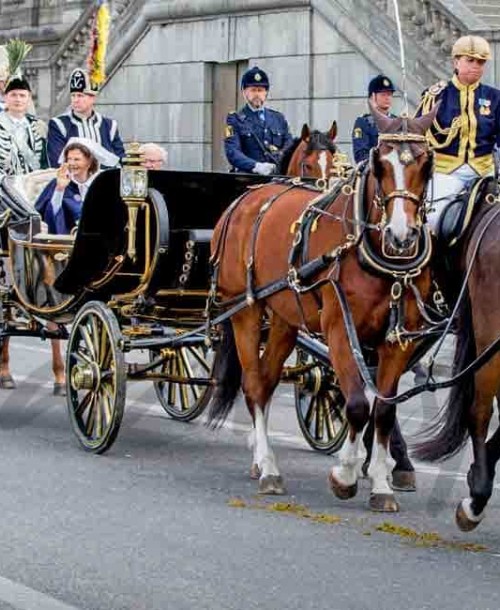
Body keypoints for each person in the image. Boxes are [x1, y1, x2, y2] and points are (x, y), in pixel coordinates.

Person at [415, 35, 500, 231]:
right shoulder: (436, 96)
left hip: (484, 171)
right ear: (456, 61)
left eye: (481, 62)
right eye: (470, 60)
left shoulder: (494, 97)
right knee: (433, 223)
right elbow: (418, 137)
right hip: (447, 171)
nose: (476, 66)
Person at [35, 137, 119, 234]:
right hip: (65, 240)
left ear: (89, 162)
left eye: (77, 159)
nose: (71, 163)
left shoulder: (100, 184)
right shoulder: (57, 183)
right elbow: (49, 216)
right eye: (69, 159)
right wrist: (60, 189)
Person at [47, 68, 125, 168]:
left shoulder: (109, 126)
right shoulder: (59, 125)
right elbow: (57, 162)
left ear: (92, 98)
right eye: (73, 95)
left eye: (80, 96)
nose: (75, 100)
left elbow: (120, 158)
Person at [224, 66, 293, 175]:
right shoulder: (235, 119)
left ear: (266, 93)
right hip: (248, 177)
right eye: (253, 90)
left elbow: (290, 145)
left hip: (277, 177)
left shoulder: (278, 118)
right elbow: (232, 152)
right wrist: (256, 166)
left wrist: (279, 161)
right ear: (244, 92)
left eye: (260, 90)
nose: (257, 94)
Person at [0, 74, 47, 175]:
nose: (18, 99)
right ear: (5, 97)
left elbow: (44, 162)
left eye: (22, 95)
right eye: (13, 95)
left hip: (34, 185)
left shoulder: (37, 126)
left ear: (29, 98)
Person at [351, 74, 396, 163]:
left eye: (389, 94)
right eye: (383, 94)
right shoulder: (363, 123)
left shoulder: (397, 122)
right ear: (373, 96)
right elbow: (361, 156)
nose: (387, 98)